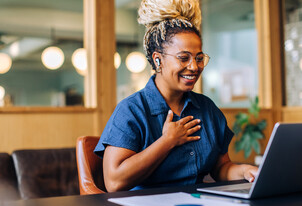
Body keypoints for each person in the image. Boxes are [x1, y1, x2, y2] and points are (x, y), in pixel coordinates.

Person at [94, 0, 258, 192]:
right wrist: (167, 141)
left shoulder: (206, 108)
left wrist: (246, 171)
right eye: (183, 58)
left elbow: (220, 168)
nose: (194, 67)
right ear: (158, 60)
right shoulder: (131, 110)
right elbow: (114, 183)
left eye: (199, 58)